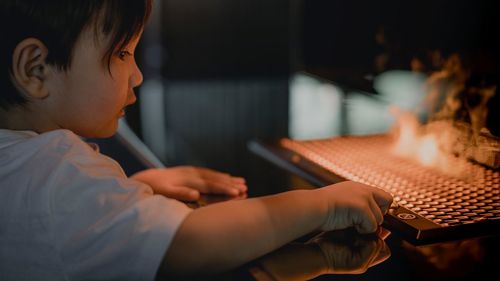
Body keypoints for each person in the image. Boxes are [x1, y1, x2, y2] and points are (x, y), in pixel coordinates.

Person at [0, 0, 393, 280]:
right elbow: (188, 246)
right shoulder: (55, 168)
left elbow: (51, 227)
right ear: (36, 68)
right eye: (122, 54)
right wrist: (322, 204)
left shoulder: (19, 161)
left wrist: (129, 191)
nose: (136, 75)